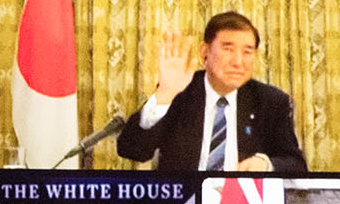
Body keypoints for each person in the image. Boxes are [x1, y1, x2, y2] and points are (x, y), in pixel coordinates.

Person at [116, 11, 307, 174]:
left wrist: (265, 164)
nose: (238, 61)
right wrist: (164, 96)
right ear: (204, 52)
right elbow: (132, 150)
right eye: (228, 49)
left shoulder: (271, 102)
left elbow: (296, 164)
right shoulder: (180, 92)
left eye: (247, 52)